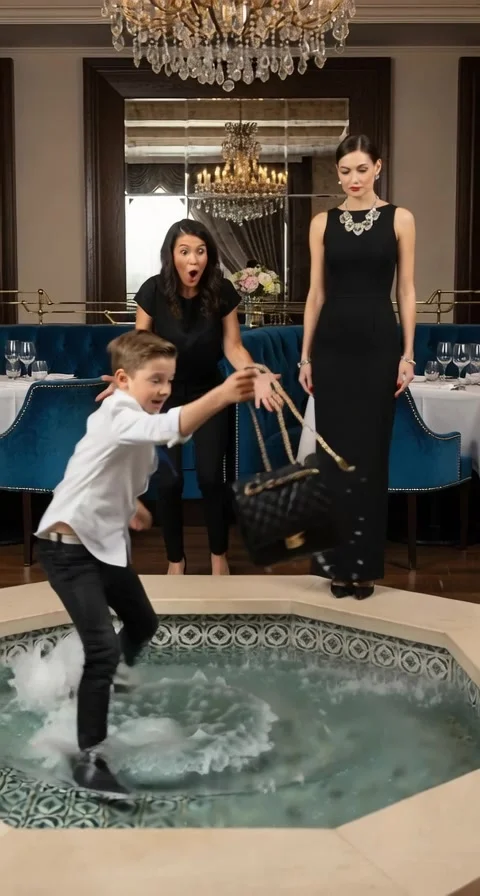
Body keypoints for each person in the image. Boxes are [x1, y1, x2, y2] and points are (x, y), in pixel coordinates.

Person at [34, 329, 258, 797]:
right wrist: (222, 394)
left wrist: (133, 505)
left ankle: (98, 685)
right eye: (155, 380)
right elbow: (168, 428)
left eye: (169, 380)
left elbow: (110, 464)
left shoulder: (131, 412)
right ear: (122, 379)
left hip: (102, 545)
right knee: (102, 649)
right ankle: (89, 758)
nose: (165, 390)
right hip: (67, 549)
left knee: (142, 623)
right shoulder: (118, 412)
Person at [299, 134, 416, 600]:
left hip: (379, 345)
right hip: (332, 347)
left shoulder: (401, 219)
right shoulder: (321, 223)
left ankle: (363, 567)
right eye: (345, 171)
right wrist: (305, 356)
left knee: (370, 457)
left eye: (361, 170)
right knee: (332, 459)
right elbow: (315, 294)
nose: (353, 179)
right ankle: (336, 566)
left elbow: (406, 290)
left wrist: (407, 354)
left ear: (378, 168)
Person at [130, 219, 280, 577]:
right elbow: (138, 346)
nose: (193, 259)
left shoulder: (221, 291)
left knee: (212, 477)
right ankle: (175, 560)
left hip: (210, 392)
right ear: (171, 256)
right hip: (164, 397)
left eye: (200, 251)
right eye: (184, 251)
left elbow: (234, 347)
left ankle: (218, 555)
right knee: (169, 481)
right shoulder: (153, 291)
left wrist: (257, 373)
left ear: (208, 256)